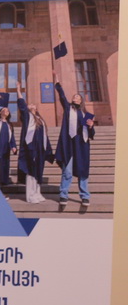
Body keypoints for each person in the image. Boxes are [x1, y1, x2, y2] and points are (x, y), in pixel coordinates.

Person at [53, 77, 95, 210]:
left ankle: (85, 195)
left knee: (83, 170)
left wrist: (91, 126)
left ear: (81, 100)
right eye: (74, 96)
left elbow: (91, 134)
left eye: (78, 96)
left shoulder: (86, 114)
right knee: (67, 171)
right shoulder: (68, 108)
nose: (75, 97)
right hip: (69, 143)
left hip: (81, 145)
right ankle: (63, 194)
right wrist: (57, 82)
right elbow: (62, 96)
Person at [15, 80, 53, 205]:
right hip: (30, 148)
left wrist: (48, 150)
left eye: (33, 104)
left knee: (39, 171)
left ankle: (37, 193)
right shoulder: (27, 117)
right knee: (31, 171)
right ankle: (30, 195)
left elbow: (45, 136)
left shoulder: (40, 120)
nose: (31, 105)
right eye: (29, 104)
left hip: (40, 149)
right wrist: (18, 91)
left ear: (36, 108)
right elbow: (21, 105)